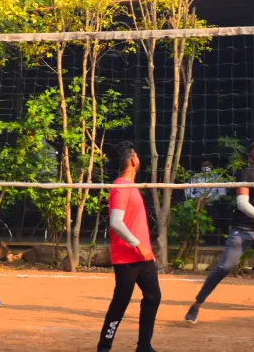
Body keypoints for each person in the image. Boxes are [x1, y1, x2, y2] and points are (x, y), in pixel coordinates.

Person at [185, 141, 254, 324]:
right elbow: (242, 204)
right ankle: (196, 305)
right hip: (242, 231)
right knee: (224, 268)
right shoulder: (245, 174)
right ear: (251, 157)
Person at [96, 142, 161, 352]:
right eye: (138, 157)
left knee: (153, 297)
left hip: (143, 255)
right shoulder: (121, 186)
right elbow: (116, 222)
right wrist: (138, 245)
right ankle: (104, 346)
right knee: (121, 301)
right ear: (133, 160)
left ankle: (144, 346)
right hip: (127, 256)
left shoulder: (131, 187)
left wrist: (146, 250)